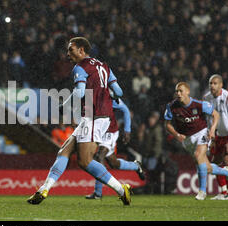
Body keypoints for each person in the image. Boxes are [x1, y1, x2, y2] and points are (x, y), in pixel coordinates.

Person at [28, 37, 132, 206]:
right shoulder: (104, 66)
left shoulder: (81, 67)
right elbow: (119, 91)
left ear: (82, 50)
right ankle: (43, 189)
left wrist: (64, 105)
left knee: (85, 161)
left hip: (93, 117)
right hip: (101, 117)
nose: (68, 53)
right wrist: (105, 93)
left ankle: (121, 189)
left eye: (71, 50)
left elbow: (80, 93)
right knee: (64, 151)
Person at [164, 82, 228, 200]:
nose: (178, 93)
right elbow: (167, 125)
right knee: (206, 167)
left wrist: (212, 129)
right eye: (177, 91)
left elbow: (216, 114)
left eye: (181, 91)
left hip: (201, 133)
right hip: (187, 139)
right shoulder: (172, 106)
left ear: (188, 91)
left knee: (198, 155)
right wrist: (177, 135)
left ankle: (202, 191)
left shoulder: (198, 104)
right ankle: (225, 172)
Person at [86, 98, 145, 199]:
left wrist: (127, 130)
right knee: (114, 163)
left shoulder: (109, 94)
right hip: (99, 132)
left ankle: (98, 192)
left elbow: (125, 110)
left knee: (99, 156)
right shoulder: (89, 92)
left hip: (110, 132)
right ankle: (135, 166)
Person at [203, 74, 228, 200]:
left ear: (221, 85)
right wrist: (212, 136)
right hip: (219, 134)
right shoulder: (207, 98)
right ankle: (222, 192)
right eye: (210, 83)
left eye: (215, 83)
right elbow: (209, 119)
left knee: (226, 160)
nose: (212, 86)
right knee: (215, 162)